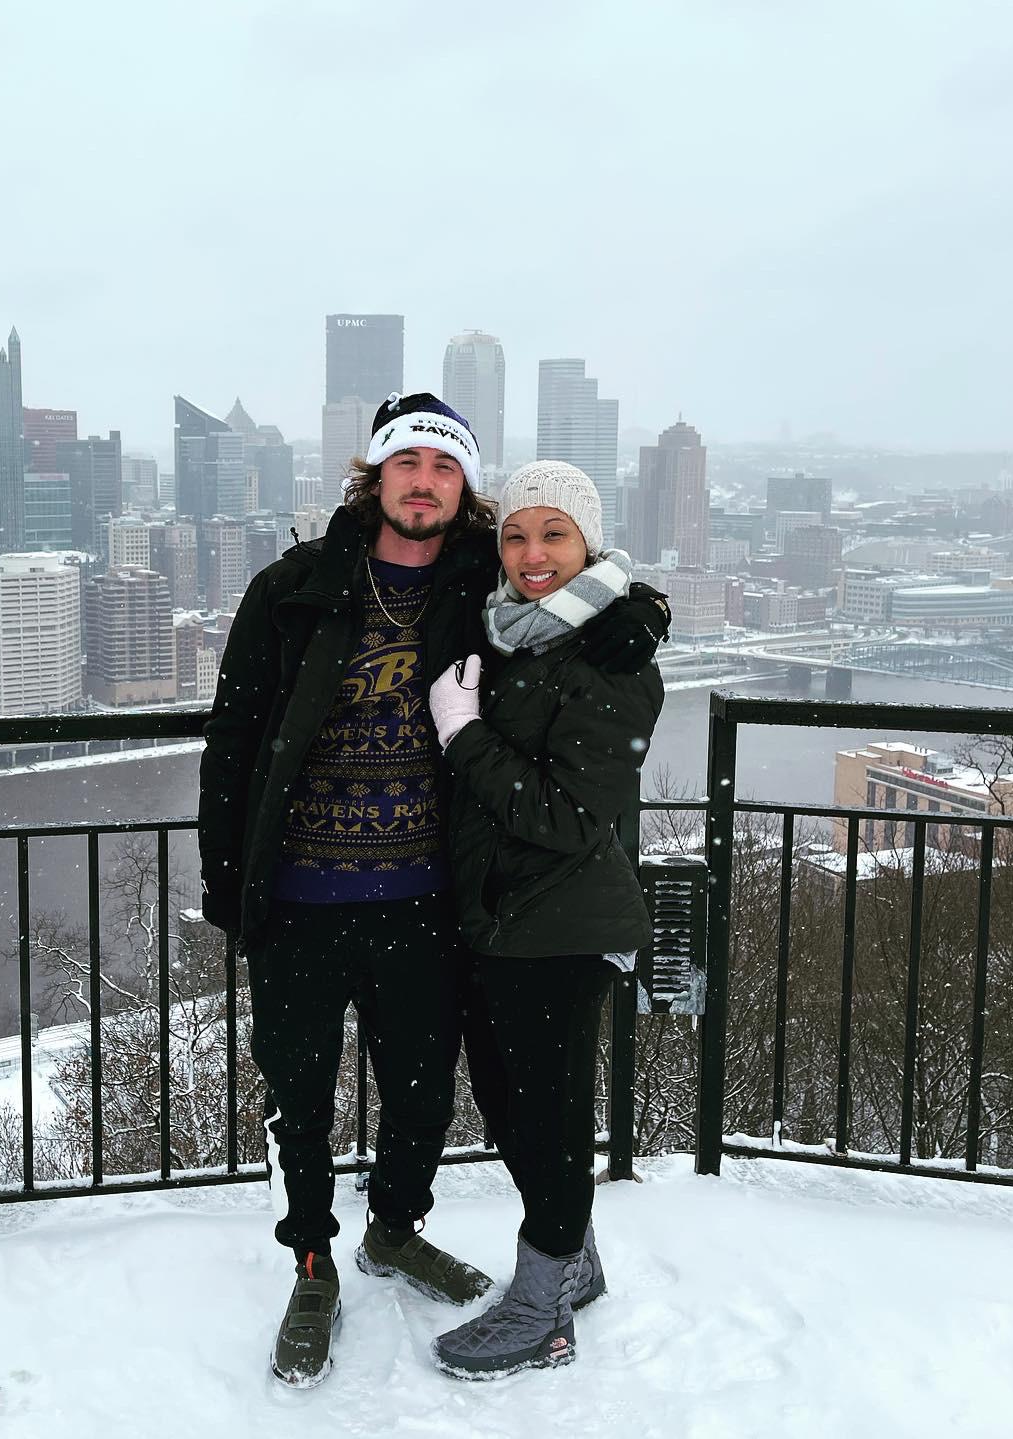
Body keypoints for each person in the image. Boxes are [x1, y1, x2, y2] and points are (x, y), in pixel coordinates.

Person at [198, 397, 670, 1388]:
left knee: (422, 1090)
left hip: (428, 896)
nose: (424, 480)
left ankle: (397, 1230)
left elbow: (573, 600)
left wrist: (634, 614)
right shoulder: (293, 587)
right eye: (405, 462)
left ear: (465, 488)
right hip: (297, 897)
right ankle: (315, 1261)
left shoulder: (478, 582)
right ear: (372, 477)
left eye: (445, 466)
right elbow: (233, 743)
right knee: (301, 1094)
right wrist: (227, 886)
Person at [424, 459, 664, 1381]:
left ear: (587, 544)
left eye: (554, 535)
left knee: (547, 1117)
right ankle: (576, 1258)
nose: (531, 553)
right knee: (509, 1101)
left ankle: (541, 1310)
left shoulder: (609, 651)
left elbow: (567, 815)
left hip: (564, 923)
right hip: (508, 917)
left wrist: (463, 733)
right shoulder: (512, 631)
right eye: (517, 534)